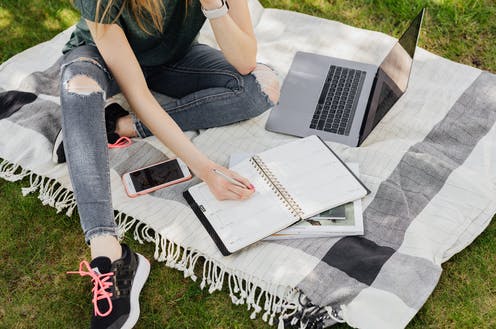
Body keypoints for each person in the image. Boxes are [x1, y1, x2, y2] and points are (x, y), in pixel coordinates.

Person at [57, 0, 281, 328]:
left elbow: (245, 60)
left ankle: (109, 125)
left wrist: (214, 5)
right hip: (101, 58)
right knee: (78, 87)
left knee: (259, 88)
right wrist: (204, 168)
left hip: (170, 60)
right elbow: (138, 94)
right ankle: (110, 255)